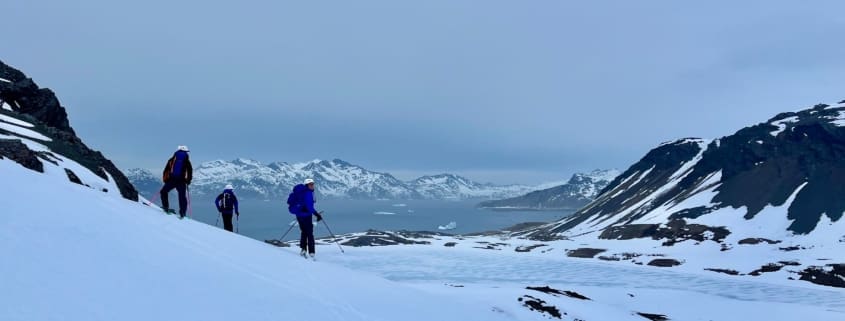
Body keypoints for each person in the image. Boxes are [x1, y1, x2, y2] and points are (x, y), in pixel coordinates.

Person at [288, 178, 323, 258]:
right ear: (307, 185)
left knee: (304, 232)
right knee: (310, 234)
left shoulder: (301, 192)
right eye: (311, 184)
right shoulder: (308, 193)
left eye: (313, 184)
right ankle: (311, 252)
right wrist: (317, 215)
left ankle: (303, 249)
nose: (312, 185)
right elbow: (309, 207)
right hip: (306, 215)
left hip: (299, 215)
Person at [160, 145, 193, 219]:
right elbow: (190, 171)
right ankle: (182, 213)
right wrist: (188, 180)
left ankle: (165, 207)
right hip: (181, 181)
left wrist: (165, 179)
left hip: (172, 180)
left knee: (163, 191)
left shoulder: (171, 160)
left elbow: (166, 170)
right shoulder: (186, 160)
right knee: (182, 197)